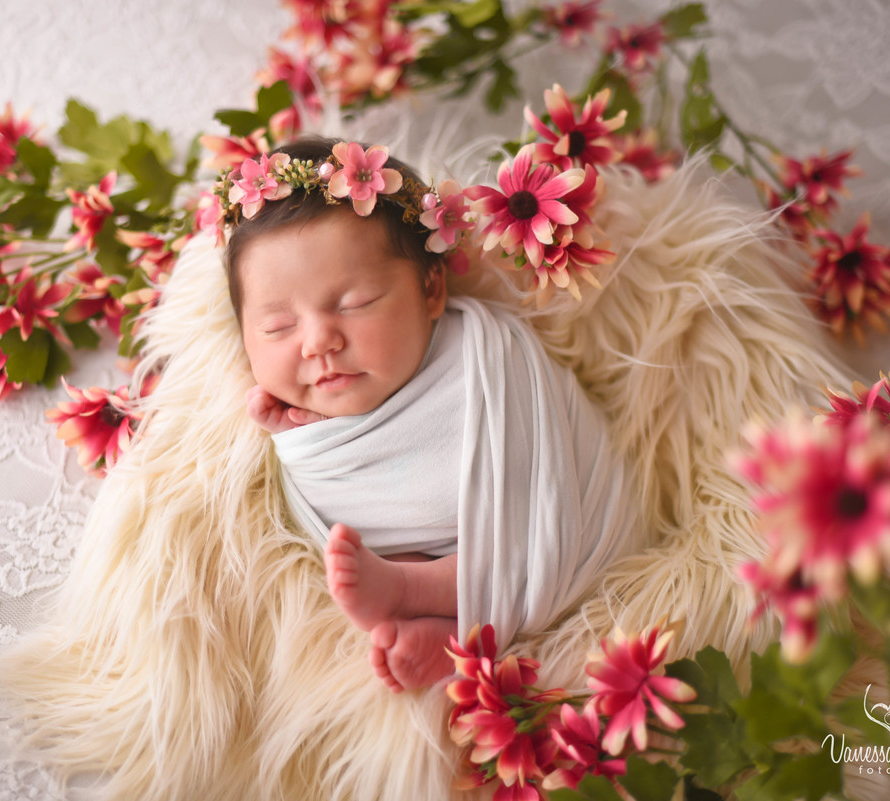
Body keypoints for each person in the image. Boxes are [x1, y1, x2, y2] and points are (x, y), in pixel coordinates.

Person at [217, 136, 635, 693]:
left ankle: (413, 593)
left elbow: (537, 448)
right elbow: (342, 483)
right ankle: (450, 630)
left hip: (569, 530)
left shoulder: (487, 354)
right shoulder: (296, 412)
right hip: (423, 549)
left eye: (356, 303)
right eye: (277, 328)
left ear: (430, 289)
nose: (318, 342)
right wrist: (303, 436)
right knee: (376, 545)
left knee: (481, 539)